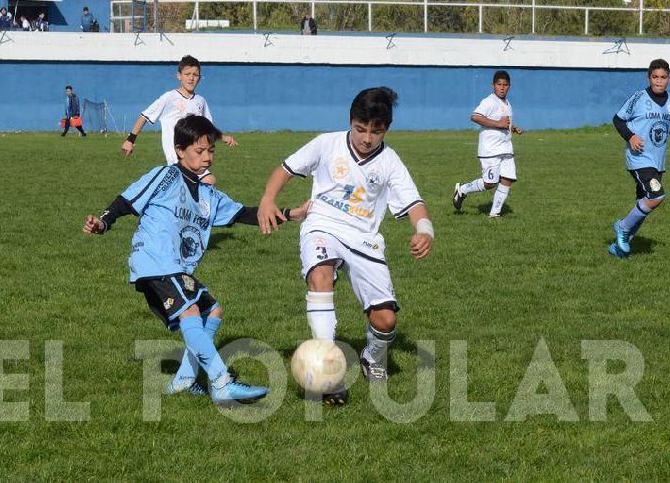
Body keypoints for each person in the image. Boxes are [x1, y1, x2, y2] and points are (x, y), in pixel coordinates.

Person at [82, 115, 310, 403]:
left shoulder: (209, 195)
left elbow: (244, 213)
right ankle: (221, 381)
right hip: (154, 261)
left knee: (212, 311)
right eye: (199, 151)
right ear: (180, 150)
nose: (207, 158)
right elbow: (125, 202)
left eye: (211, 151)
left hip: (176, 268)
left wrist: (291, 214)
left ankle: (184, 381)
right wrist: (103, 224)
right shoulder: (164, 177)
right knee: (190, 312)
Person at [256, 87, 434, 406]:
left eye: (376, 132)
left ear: (386, 130)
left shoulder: (390, 162)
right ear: (350, 121)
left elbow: (414, 203)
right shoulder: (327, 143)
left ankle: (372, 358)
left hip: (364, 237)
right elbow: (286, 169)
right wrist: (268, 200)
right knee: (320, 277)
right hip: (322, 223)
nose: (367, 138)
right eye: (360, 129)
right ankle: (329, 372)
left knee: (385, 320)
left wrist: (425, 230)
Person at [608, 58, 670, 259]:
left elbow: (666, 128)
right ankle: (622, 226)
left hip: (658, 161)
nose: (658, 81)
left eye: (662, 78)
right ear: (648, 77)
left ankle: (619, 248)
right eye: (655, 77)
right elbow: (618, 119)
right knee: (656, 196)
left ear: (669, 79)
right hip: (639, 158)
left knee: (643, 205)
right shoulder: (638, 98)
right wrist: (630, 136)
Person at [121, 55, 239, 185]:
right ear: (179, 76)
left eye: (195, 74)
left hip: (195, 155)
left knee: (204, 185)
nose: (191, 77)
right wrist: (130, 140)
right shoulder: (169, 97)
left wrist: (224, 137)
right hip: (177, 155)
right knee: (207, 181)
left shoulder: (200, 101)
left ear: (200, 78)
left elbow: (208, 128)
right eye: (187, 74)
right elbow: (145, 116)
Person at [451, 70, 524, 218]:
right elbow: (475, 117)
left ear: (509, 86)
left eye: (505, 85)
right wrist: (498, 123)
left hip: (506, 148)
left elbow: (503, 122)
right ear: (493, 85)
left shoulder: (507, 103)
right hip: (490, 150)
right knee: (490, 183)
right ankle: (463, 190)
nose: (502, 88)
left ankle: (494, 214)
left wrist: (512, 127)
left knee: (507, 180)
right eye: (499, 84)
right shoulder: (489, 101)